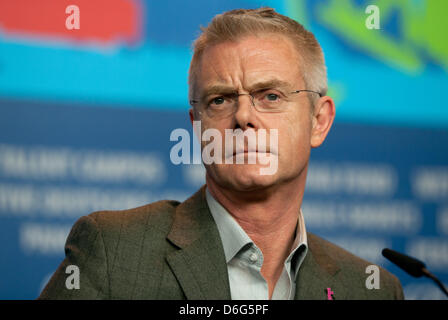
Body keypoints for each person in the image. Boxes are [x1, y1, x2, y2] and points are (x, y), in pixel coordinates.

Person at [38, 7, 404, 300]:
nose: (243, 117)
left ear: (319, 121)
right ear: (197, 125)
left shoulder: (371, 290)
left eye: (270, 96)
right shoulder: (114, 254)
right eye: (220, 100)